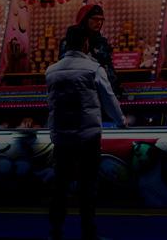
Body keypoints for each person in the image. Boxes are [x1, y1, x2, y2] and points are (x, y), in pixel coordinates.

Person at [46, 25, 127, 240]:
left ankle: (55, 230)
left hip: (61, 136)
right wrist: (121, 121)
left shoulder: (51, 71)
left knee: (60, 184)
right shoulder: (93, 69)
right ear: (85, 43)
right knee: (88, 185)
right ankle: (88, 231)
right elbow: (109, 99)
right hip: (87, 136)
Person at [59, 4, 120, 96]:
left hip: (103, 90)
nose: (99, 22)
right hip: (80, 91)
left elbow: (108, 67)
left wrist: (114, 88)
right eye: (95, 19)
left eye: (101, 20)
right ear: (85, 19)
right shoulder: (70, 41)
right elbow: (66, 68)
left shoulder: (102, 42)